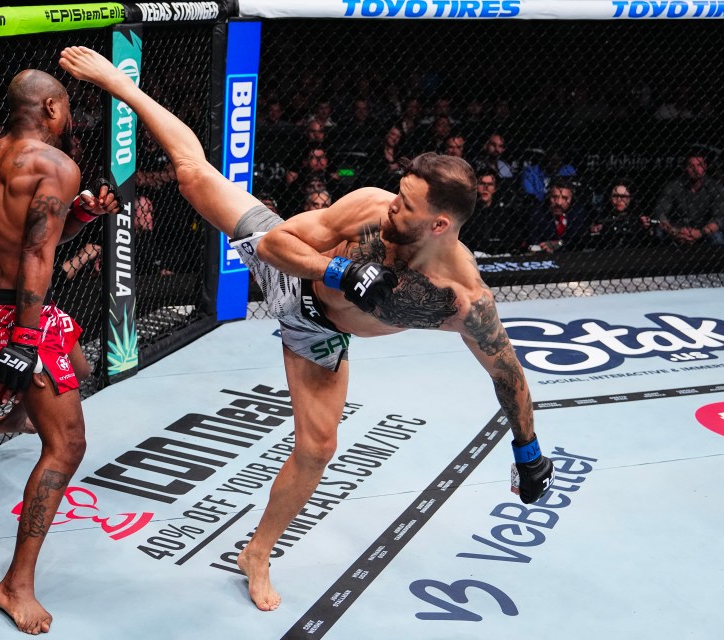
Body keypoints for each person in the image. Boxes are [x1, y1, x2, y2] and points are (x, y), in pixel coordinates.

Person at [60, 45, 556, 612]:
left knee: (318, 449)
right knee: (194, 176)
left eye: (408, 205)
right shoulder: (372, 207)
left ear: (440, 225)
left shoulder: (465, 302)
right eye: (398, 192)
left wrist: (528, 452)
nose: (393, 205)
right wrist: (341, 271)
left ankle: (256, 553)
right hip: (295, 275)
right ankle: (123, 83)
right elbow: (274, 244)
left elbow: (508, 374)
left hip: (317, 333)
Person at [0, 68, 119, 635]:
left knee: (79, 360)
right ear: (53, 108)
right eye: (69, 107)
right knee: (70, 445)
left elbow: (26, 234)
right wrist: (25, 343)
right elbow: (36, 256)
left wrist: (80, 214)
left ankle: (18, 412)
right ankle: (15, 585)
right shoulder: (57, 165)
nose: (72, 117)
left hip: (1, 303)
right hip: (17, 316)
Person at [652, 150, 724, 245]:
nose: (696, 169)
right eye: (691, 166)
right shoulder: (673, 186)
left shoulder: (716, 187)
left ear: (705, 166)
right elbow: (660, 213)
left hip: (704, 229)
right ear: (686, 168)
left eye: (699, 165)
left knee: (717, 237)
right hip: (678, 229)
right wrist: (675, 232)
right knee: (659, 232)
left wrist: (700, 233)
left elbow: (719, 218)